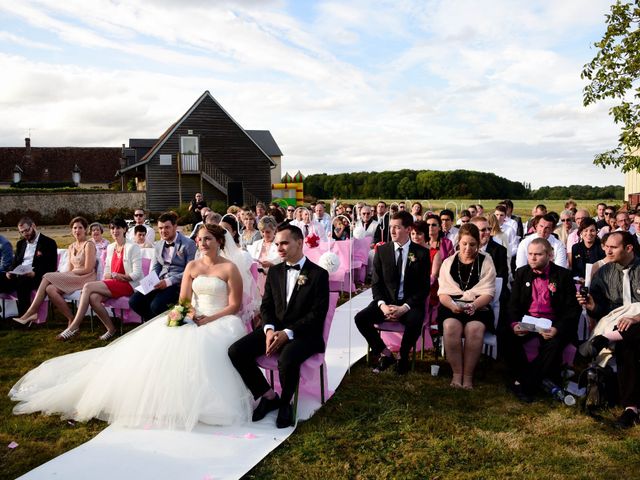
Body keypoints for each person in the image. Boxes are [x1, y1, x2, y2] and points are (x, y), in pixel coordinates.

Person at [10, 224, 253, 430]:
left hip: (220, 318)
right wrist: (188, 313)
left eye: (207, 239)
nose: (202, 243)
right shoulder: (193, 266)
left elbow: (234, 305)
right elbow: (184, 301)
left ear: (220, 241)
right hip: (194, 315)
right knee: (164, 343)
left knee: (205, 347)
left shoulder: (229, 268)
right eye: (199, 239)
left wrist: (209, 320)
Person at [228, 224, 330, 428]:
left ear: (300, 243)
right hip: (274, 330)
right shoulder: (274, 272)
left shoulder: (318, 274)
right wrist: (269, 330)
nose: (279, 248)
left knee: (287, 358)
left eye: (284, 243)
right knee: (236, 351)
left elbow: (317, 314)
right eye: (277, 244)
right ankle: (268, 395)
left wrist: (287, 333)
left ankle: (286, 402)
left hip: (304, 334)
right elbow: (266, 306)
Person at [354, 211, 430, 375]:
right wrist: (382, 306)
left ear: (408, 229)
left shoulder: (421, 254)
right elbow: (376, 284)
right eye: (391, 227)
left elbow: (423, 288)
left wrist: (404, 307)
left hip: (409, 303)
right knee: (360, 318)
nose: (392, 231)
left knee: (416, 319)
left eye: (397, 227)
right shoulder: (382, 251)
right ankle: (385, 353)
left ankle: (403, 356)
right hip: (385, 301)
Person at [505, 238, 581, 402]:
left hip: (553, 323)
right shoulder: (522, 273)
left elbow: (572, 309)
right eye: (530, 254)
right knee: (508, 335)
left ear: (550, 255)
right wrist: (514, 324)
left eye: (538, 254)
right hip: (528, 321)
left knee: (554, 343)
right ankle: (537, 379)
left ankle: (523, 384)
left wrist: (557, 328)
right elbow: (512, 305)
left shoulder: (563, 276)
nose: (532, 258)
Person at [578, 231, 640, 428]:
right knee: (626, 345)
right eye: (606, 246)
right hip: (619, 326)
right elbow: (601, 310)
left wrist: (636, 318)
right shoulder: (604, 274)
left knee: (632, 329)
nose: (607, 250)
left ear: (628, 248)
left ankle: (605, 338)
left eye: (613, 247)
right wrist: (591, 306)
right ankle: (631, 408)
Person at [57, 218, 143, 341]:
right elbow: (107, 272)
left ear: (125, 229)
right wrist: (113, 276)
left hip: (128, 284)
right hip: (114, 282)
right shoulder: (111, 247)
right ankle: (111, 329)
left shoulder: (132, 247)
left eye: (118, 228)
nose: (114, 231)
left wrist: (119, 276)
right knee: (93, 298)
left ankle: (74, 325)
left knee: (87, 286)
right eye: (112, 228)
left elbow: (137, 274)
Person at [438, 223, 496, 389]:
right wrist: (452, 306)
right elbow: (443, 293)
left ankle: (468, 376)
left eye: (472, 244)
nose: (468, 248)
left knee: (474, 329)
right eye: (464, 244)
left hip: (478, 307)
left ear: (478, 244)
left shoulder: (486, 261)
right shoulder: (449, 262)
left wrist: (474, 305)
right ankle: (457, 374)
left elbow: (488, 292)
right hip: (451, 307)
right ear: (458, 242)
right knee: (450, 326)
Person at [14, 217, 96, 326]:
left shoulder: (89, 245)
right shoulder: (71, 246)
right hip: (74, 276)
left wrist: (67, 274)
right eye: (74, 228)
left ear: (85, 230)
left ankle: (31, 312)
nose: (77, 230)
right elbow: (71, 269)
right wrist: (67, 274)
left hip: (86, 277)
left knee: (47, 275)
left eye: (80, 228)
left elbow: (88, 269)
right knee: (50, 289)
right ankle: (71, 319)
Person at [129, 212, 197, 321]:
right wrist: (151, 281)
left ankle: (162, 324)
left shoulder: (188, 244)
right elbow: (157, 267)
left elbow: (190, 271)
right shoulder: (159, 244)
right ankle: (152, 323)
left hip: (177, 284)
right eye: (160, 228)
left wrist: (168, 281)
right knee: (134, 301)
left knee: (156, 306)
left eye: (167, 227)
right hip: (159, 281)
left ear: (175, 226)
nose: (163, 231)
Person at [0, 217, 57, 316]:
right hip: (19, 275)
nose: (25, 234)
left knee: (23, 283)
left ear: (33, 226)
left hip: (38, 276)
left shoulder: (48, 243)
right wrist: (10, 272)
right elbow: (15, 263)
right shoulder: (21, 244)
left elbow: (51, 267)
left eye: (27, 230)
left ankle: (25, 317)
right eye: (22, 232)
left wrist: (35, 273)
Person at [247, 216, 281, 296]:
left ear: (274, 230)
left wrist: (272, 265)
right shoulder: (256, 244)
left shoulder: (279, 244)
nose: (265, 234)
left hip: (273, 281)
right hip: (255, 281)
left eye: (268, 232)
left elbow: (284, 263)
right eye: (262, 231)